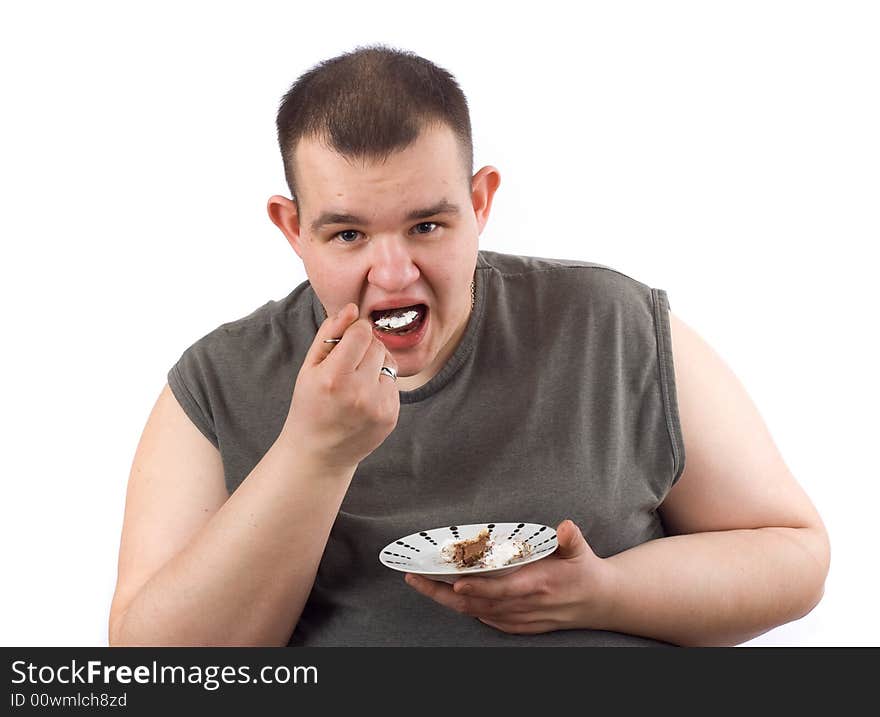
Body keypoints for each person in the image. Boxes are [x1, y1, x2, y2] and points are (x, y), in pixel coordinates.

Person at [108, 44, 830, 647]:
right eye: (348, 234)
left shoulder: (613, 323)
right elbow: (154, 668)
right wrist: (314, 453)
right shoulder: (215, 383)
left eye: (427, 226)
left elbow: (795, 556)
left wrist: (602, 593)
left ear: (480, 203)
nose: (393, 273)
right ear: (292, 228)